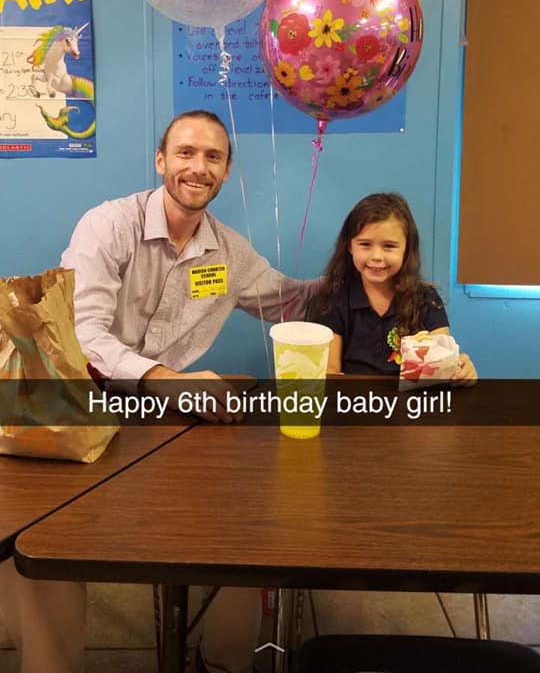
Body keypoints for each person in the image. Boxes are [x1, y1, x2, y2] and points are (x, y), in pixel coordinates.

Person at [0, 109, 318, 673]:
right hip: (70, 403)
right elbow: (82, 330)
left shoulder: (230, 252)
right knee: (39, 546)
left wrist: (371, 271)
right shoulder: (109, 225)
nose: (199, 167)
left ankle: (219, 659)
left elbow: (288, 301)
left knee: (249, 523)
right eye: (187, 153)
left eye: (213, 157)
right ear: (161, 161)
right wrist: (166, 381)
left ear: (225, 171)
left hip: (158, 418)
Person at [309, 192, 477, 381]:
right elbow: (330, 375)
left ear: (407, 249)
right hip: (354, 406)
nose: (376, 256)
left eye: (389, 246)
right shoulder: (332, 300)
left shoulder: (426, 300)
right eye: (365, 244)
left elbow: (444, 369)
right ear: (350, 246)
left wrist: (461, 372)